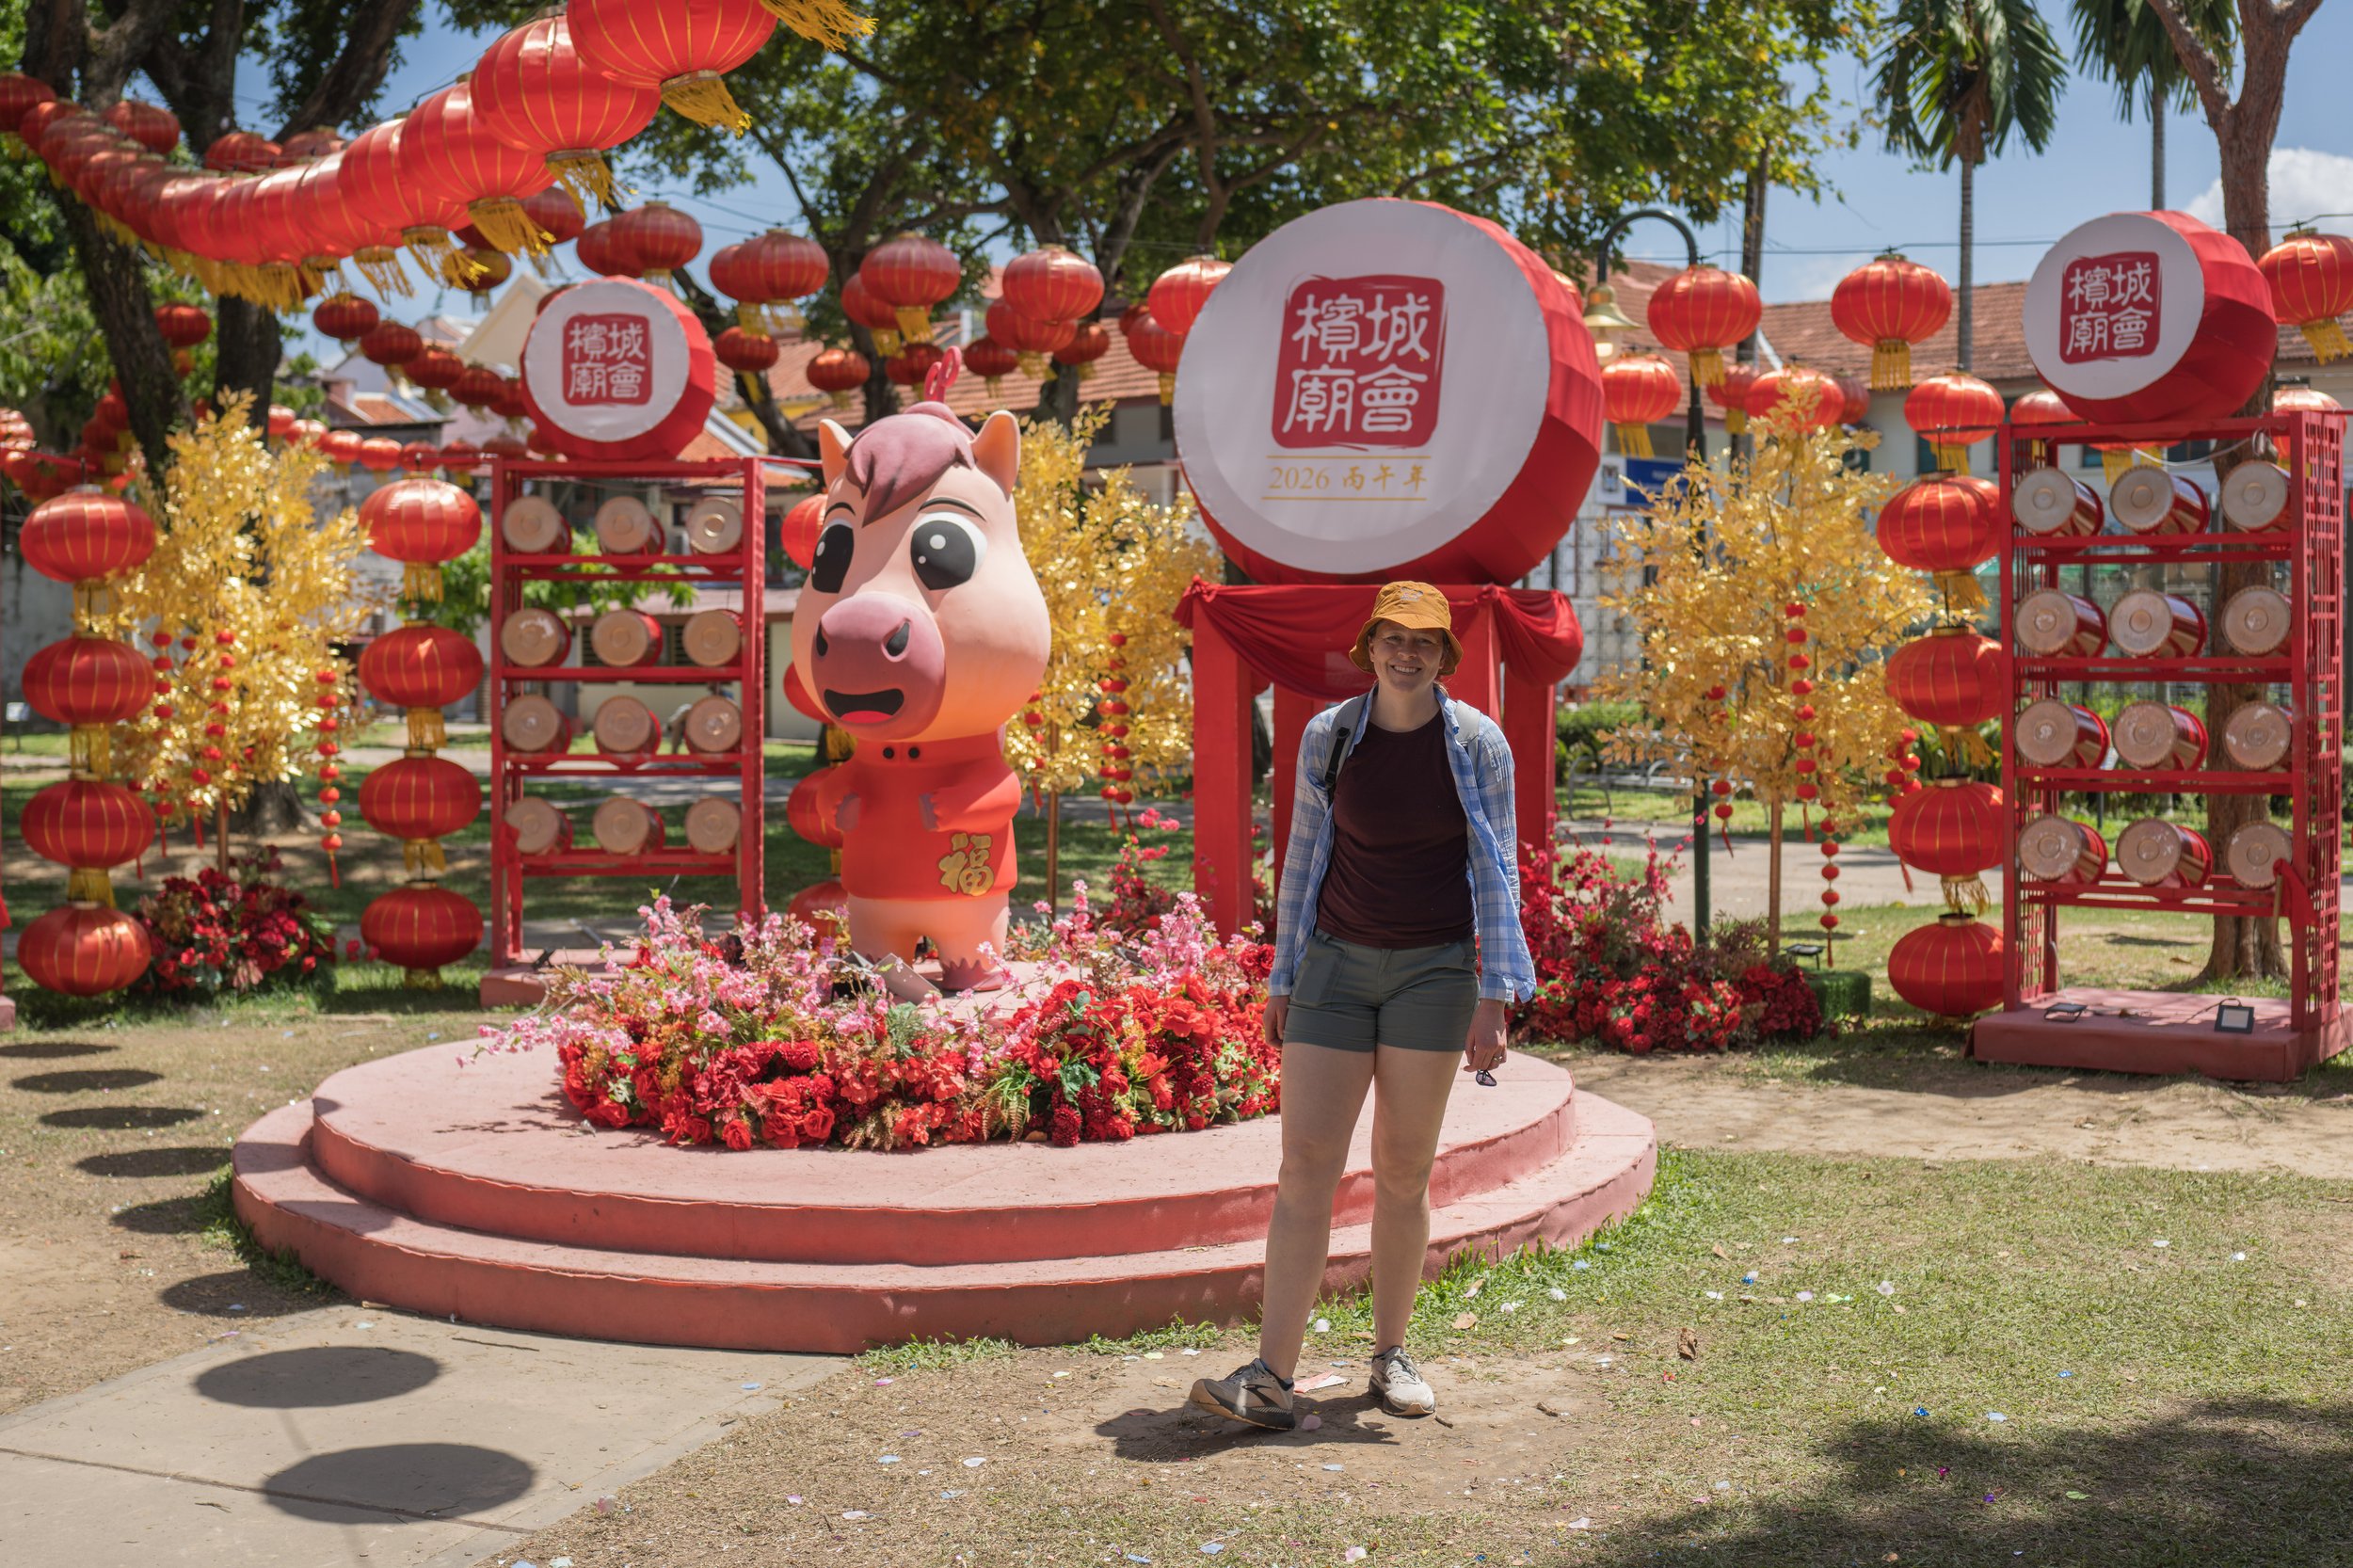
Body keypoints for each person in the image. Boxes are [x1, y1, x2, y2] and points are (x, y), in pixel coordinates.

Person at [1190, 581, 1533, 1431]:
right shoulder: (1331, 735)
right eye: (1393, 639)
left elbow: (1497, 871)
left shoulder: (1477, 744)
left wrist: (1495, 995)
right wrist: (1283, 976)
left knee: (1404, 1171)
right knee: (1306, 1165)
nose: (1406, 654)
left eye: (1424, 642)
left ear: (1443, 656)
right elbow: (1303, 859)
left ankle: (1390, 1355)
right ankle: (1272, 1376)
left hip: (1434, 974)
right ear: (1370, 647)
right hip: (1334, 970)